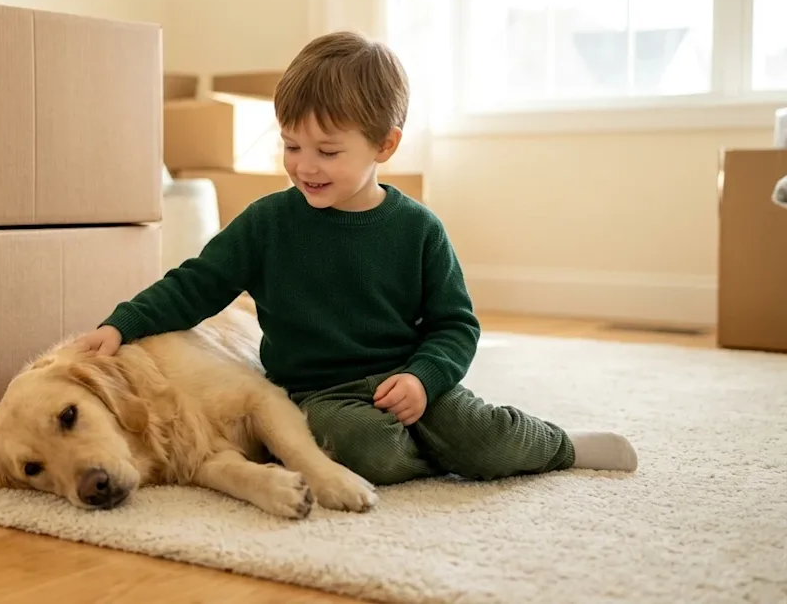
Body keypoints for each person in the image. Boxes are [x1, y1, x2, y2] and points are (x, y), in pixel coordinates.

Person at [72, 30, 638, 486]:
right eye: (291, 145)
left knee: (485, 439)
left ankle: (561, 445)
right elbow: (197, 283)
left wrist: (423, 379)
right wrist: (125, 322)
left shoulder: (419, 229)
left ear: (384, 145)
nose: (304, 166)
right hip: (321, 396)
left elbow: (455, 325)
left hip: (412, 380)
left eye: (327, 151)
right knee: (370, 454)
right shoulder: (267, 223)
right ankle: (440, 458)